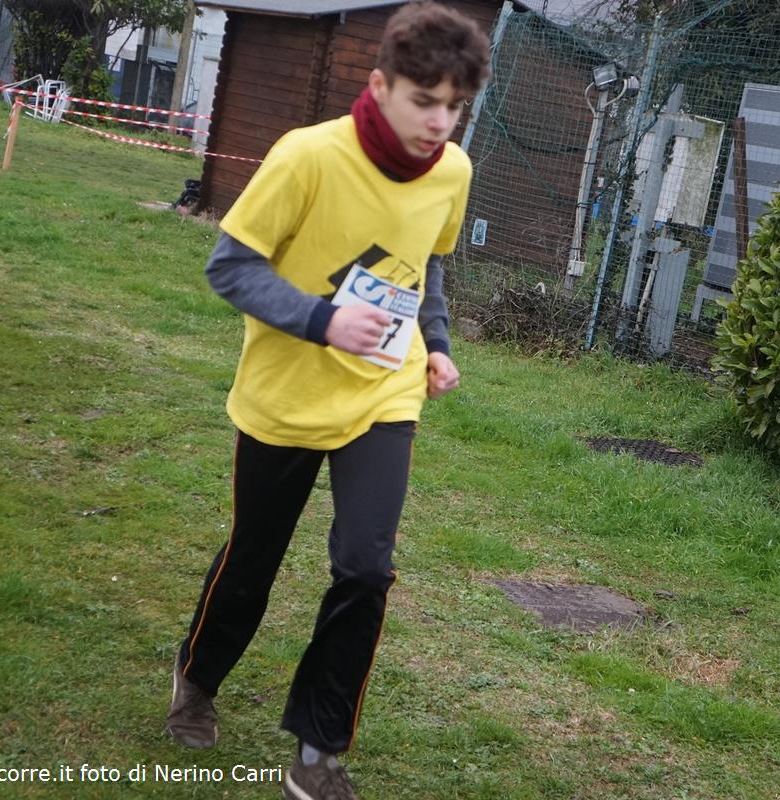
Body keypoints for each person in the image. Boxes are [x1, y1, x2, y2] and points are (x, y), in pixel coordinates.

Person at [164, 3, 490, 799]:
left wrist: (435, 344)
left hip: (384, 393)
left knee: (366, 568)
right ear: (379, 86)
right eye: (424, 101)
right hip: (285, 395)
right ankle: (197, 678)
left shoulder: (452, 171)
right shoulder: (308, 156)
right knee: (254, 558)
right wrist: (323, 321)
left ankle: (319, 751)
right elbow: (229, 267)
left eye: (454, 107)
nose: (439, 123)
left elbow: (426, 264)